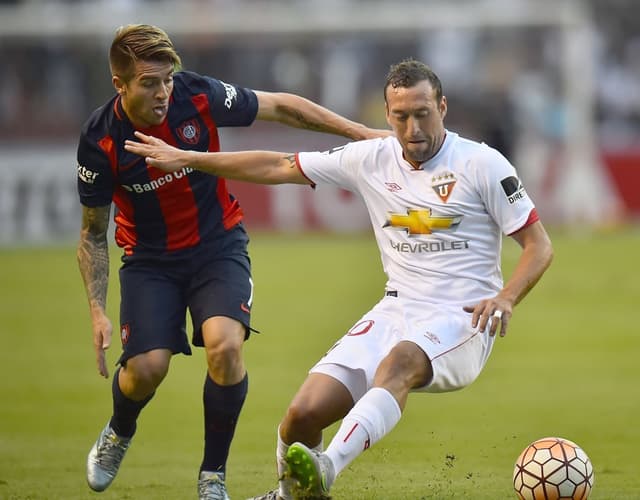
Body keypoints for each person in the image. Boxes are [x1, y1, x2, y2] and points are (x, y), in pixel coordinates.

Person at [124, 58, 554, 499]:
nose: (413, 127)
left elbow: (540, 246)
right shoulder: (371, 158)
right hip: (396, 309)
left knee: (399, 363)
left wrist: (505, 298)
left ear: (442, 107)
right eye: (401, 116)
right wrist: (190, 159)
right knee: (301, 416)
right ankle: (292, 495)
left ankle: (327, 467)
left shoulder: (483, 164)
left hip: (463, 317)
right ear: (387, 115)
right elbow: (277, 165)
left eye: (423, 113)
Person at [76, 24, 388, 500]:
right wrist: (98, 311)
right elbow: (93, 232)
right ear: (119, 85)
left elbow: (282, 106)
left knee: (224, 347)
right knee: (147, 369)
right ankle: (119, 429)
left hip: (216, 247)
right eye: (149, 83)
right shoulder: (99, 141)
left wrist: (363, 134)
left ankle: (212, 476)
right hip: (149, 261)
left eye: (167, 80)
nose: (163, 92)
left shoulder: (197, 94)